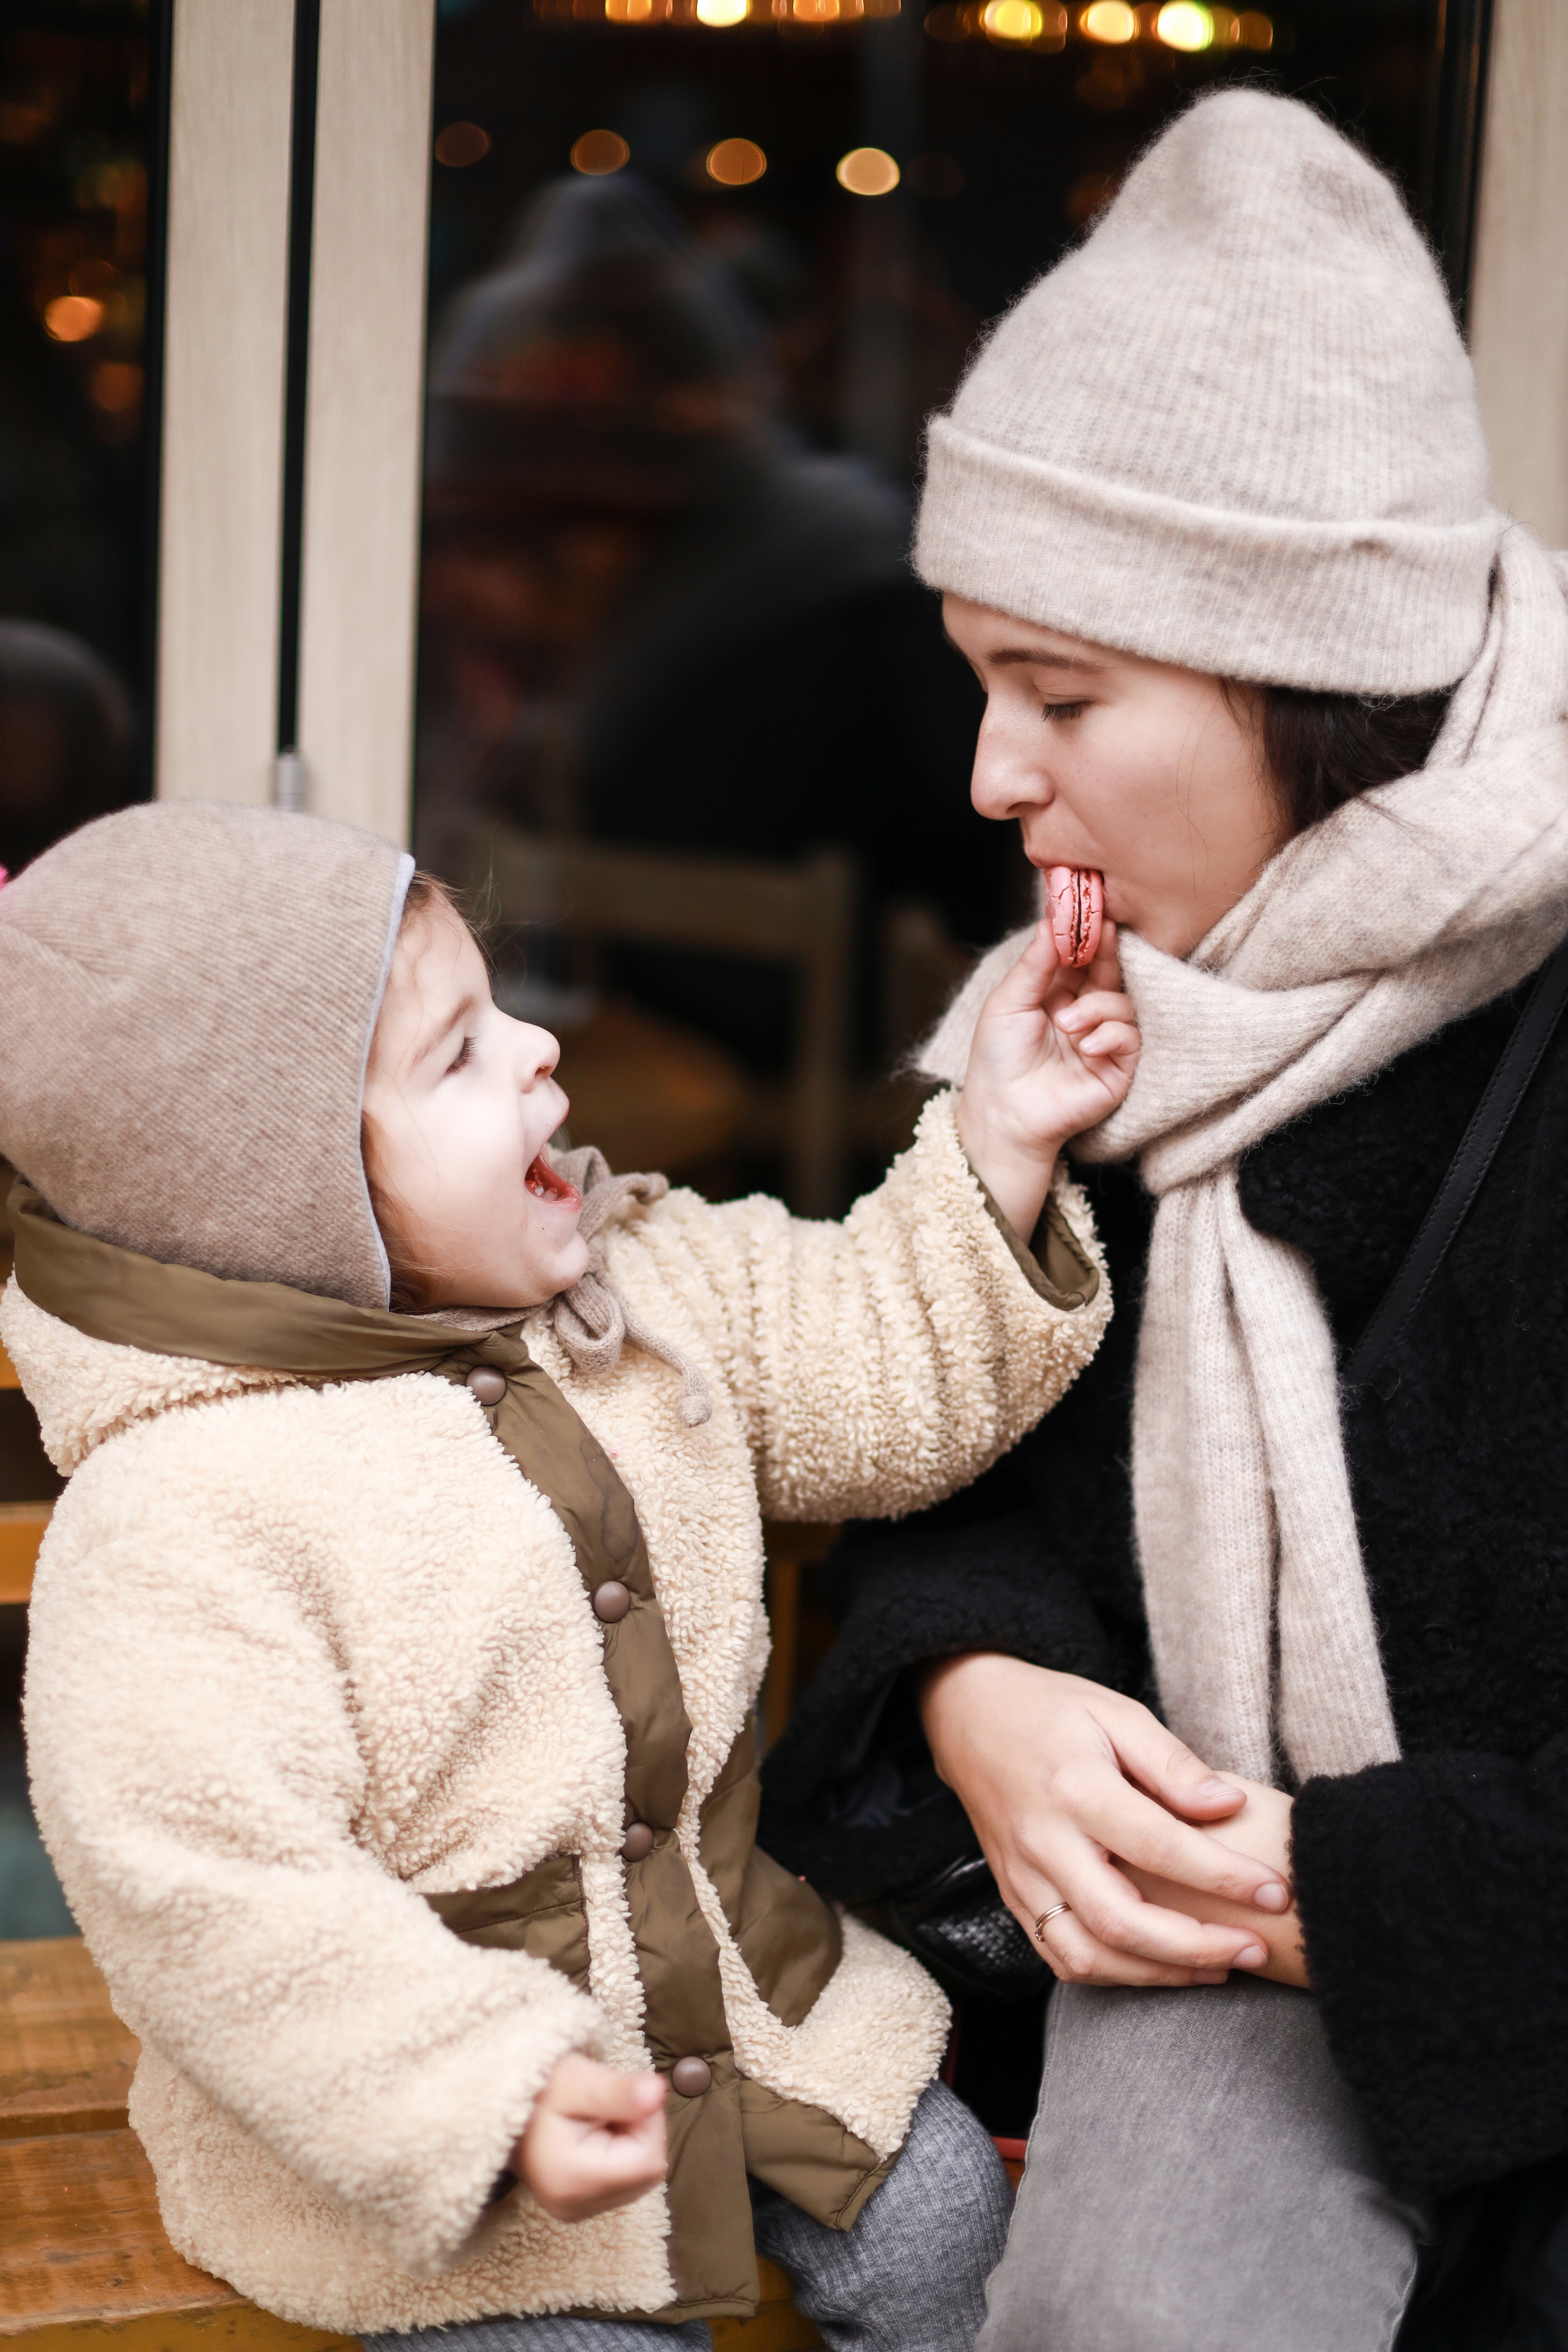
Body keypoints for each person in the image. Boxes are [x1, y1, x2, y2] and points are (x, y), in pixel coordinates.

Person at [760, 88, 1568, 2352]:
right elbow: (976, 1467)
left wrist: (1367, 1893)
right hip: (1215, 1939)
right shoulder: (1109, 1020)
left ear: (1313, 689)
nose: (997, 777)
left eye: (1065, 692)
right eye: (979, 681)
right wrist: (986, 1696)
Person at [0, 796, 1153, 2350]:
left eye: (499, 1008)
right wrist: (484, 2090)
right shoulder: (187, 1511)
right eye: (457, 1054)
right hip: (425, 2133)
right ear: (287, 1204)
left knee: (951, 2220)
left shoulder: (638, 1289)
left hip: (745, 2010)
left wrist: (1002, 1138)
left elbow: (868, 1358)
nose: (537, 1051)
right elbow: (210, 1880)